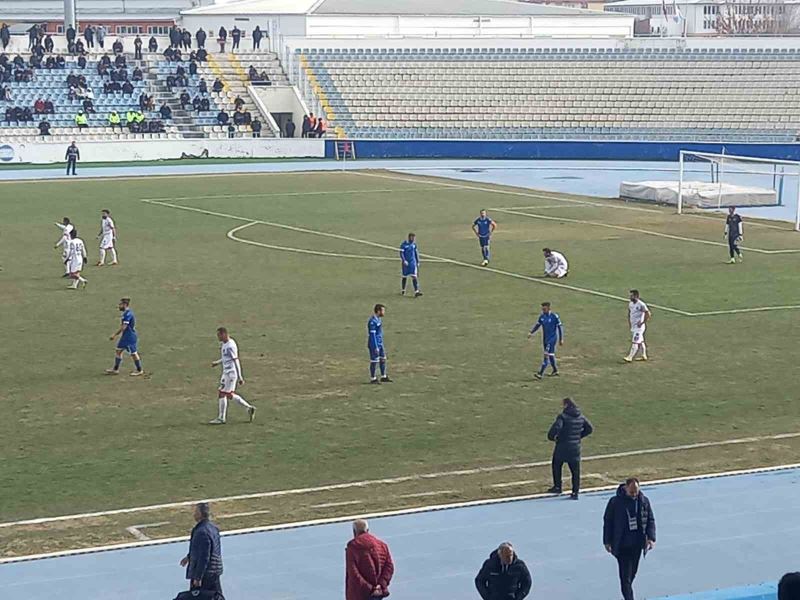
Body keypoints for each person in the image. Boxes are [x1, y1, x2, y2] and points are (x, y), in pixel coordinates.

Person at [603, 477, 656, 600]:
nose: (633, 494)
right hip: (622, 545)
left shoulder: (643, 501)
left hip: (637, 544)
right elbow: (608, 522)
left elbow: (650, 519)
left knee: (632, 574)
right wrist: (607, 541)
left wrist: (651, 537)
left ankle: (627, 593)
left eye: (636, 492)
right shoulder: (615, 502)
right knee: (625, 578)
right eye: (631, 491)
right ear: (625, 488)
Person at [547, 397, 593, 499]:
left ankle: (558, 486)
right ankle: (575, 492)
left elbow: (556, 428)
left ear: (566, 405)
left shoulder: (563, 417)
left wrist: (552, 437)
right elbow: (589, 428)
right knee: (575, 471)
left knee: (557, 465)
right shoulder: (581, 416)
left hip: (562, 446)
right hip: (575, 447)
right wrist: (579, 436)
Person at [209, 327, 256, 425]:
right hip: (227, 373)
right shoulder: (225, 344)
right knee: (229, 395)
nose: (218, 338)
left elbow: (236, 360)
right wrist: (217, 363)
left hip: (230, 374)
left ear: (224, 334)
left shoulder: (230, 346)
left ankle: (221, 418)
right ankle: (249, 408)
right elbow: (226, 358)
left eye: (219, 335)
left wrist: (240, 376)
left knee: (222, 393)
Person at [345, 519, 394, 600]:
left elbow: (353, 573)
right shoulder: (382, 545)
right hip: (378, 593)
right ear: (367, 530)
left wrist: (370, 588)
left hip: (360, 594)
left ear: (354, 531)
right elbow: (389, 567)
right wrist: (381, 585)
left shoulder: (353, 547)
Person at [180, 503, 224, 593]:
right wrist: (189, 557)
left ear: (200, 514)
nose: (194, 514)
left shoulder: (201, 532)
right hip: (214, 571)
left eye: (196, 512)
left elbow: (204, 556)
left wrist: (198, 577)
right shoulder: (213, 528)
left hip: (205, 575)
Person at [107, 298, 144, 376]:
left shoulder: (128, 314)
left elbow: (124, 327)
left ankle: (139, 370)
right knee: (118, 351)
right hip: (125, 337)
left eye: (120, 305)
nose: (119, 306)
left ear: (124, 305)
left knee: (133, 354)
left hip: (130, 337)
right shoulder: (126, 313)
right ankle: (115, 369)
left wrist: (114, 335)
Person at [528, 301, 563, 380]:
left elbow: (560, 327)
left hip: (552, 339)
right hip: (545, 339)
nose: (543, 311)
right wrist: (531, 332)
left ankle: (540, 373)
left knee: (546, 355)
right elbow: (537, 325)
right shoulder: (542, 317)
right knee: (551, 355)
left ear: (549, 308)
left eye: (544, 309)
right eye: (542, 309)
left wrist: (561, 339)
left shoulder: (554, 316)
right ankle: (555, 370)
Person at [624, 289, 651, 363]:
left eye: (631, 295)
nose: (630, 297)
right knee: (641, 341)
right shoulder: (631, 304)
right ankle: (644, 355)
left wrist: (642, 322)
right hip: (634, 326)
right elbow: (630, 313)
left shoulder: (641, 304)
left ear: (636, 296)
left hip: (639, 328)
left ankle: (630, 357)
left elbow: (648, 314)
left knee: (635, 342)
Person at [367, 304, 392, 384]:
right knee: (374, 361)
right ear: (378, 311)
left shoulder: (378, 319)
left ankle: (383, 376)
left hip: (380, 343)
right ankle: (373, 378)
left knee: (383, 359)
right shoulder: (372, 322)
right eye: (383, 310)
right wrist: (375, 346)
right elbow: (372, 335)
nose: (384, 312)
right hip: (374, 344)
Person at [399, 232, 422, 297]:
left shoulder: (414, 245)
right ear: (409, 237)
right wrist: (404, 260)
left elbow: (416, 253)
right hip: (406, 264)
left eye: (414, 238)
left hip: (412, 263)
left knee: (414, 276)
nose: (413, 239)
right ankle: (403, 290)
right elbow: (401, 253)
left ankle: (416, 291)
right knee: (404, 276)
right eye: (412, 237)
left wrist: (417, 261)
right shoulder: (404, 245)